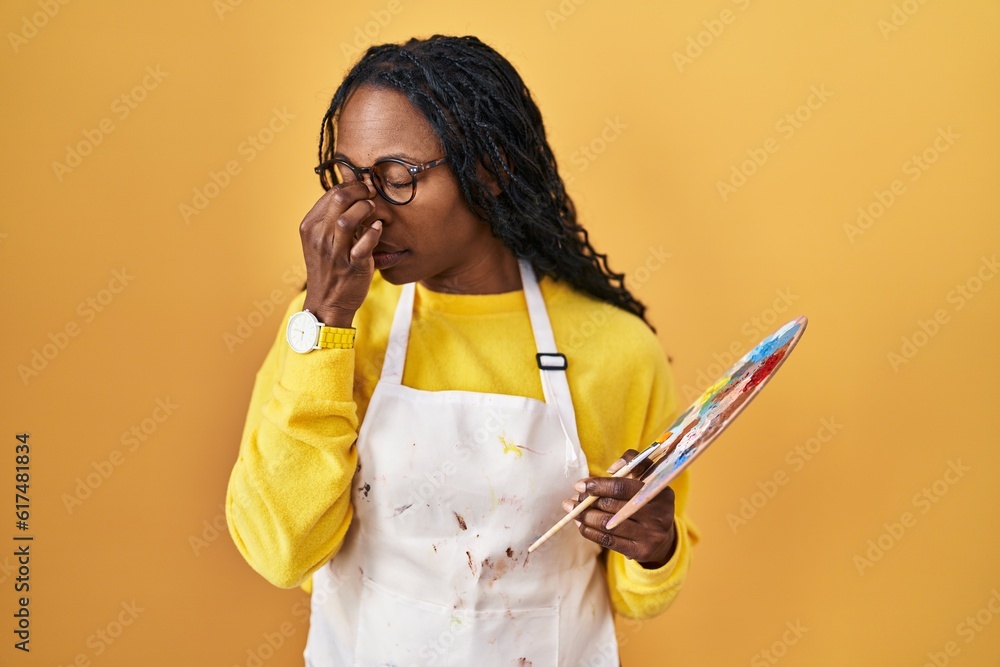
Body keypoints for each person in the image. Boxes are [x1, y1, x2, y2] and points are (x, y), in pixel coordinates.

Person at [226, 34, 699, 667]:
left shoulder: (616, 352)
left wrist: (655, 546)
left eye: (396, 179)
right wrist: (325, 319)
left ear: (490, 170)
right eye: (346, 179)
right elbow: (280, 553)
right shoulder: (331, 329)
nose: (363, 212)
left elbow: (639, 596)